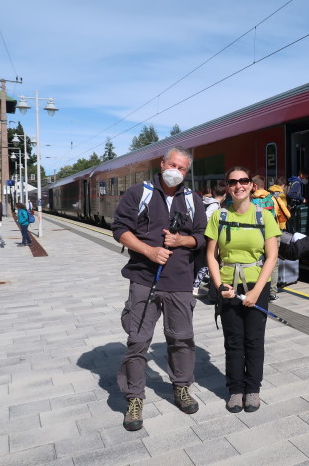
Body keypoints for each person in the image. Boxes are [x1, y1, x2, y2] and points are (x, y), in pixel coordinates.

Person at [112, 147, 207, 431]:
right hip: (144, 279)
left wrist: (182, 242)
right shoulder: (139, 193)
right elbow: (119, 229)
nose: (176, 171)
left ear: (186, 173)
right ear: (162, 164)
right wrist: (149, 252)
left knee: (181, 339)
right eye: (173, 165)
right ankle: (134, 398)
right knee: (138, 341)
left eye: (182, 169)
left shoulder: (192, 199)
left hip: (179, 282)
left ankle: (180, 387)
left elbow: (202, 237)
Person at [205, 167, 280, 413]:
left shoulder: (264, 217)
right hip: (228, 286)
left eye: (244, 181)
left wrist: (258, 291)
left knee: (254, 341)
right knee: (234, 342)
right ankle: (236, 389)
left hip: (256, 284)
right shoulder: (219, 216)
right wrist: (219, 287)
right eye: (233, 182)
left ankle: (253, 389)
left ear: (251, 185)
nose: (239, 186)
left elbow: (271, 257)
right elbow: (211, 256)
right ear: (227, 186)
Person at [193, 180, 228, 296]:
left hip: (201, 236)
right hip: (208, 237)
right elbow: (206, 219)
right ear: (224, 196)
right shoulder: (214, 205)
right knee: (206, 263)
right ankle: (196, 286)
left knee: (202, 261)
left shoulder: (205, 201)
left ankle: (197, 285)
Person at [251, 175, 280, 300]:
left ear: (255, 186)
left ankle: (259, 290)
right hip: (272, 233)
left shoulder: (252, 201)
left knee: (257, 261)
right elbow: (280, 214)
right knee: (273, 263)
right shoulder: (272, 198)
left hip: (257, 235)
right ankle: (272, 292)